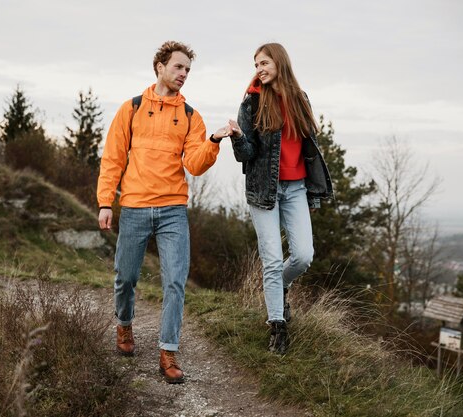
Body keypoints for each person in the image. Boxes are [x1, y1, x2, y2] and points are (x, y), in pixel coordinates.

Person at [97, 41, 230, 383]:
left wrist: (212, 142)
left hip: (173, 208)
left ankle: (168, 351)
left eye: (188, 69)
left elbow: (194, 164)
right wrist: (104, 202)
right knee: (125, 277)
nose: (184, 74)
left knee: (174, 281)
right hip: (135, 205)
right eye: (178, 67)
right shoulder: (132, 108)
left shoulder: (190, 117)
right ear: (159, 66)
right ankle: (124, 326)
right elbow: (113, 157)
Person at [228, 43, 333, 355]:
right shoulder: (252, 102)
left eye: (264, 62)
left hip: (296, 189)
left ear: (279, 62)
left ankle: (279, 286)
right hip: (263, 190)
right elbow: (247, 154)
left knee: (303, 256)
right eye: (256, 64)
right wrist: (236, 138)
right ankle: (278, 326)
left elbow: (310, 146)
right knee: (272, 260)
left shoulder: (301, 100)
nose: (259, 68)